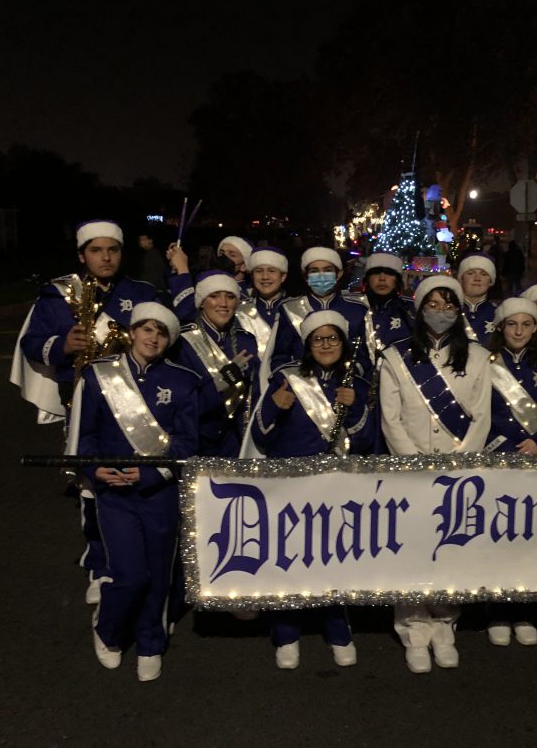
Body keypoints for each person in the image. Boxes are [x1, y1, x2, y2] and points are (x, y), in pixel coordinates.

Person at [13, 219, 159, 604]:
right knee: (92, 484)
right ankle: (100, 563)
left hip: (137, 404)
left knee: (138, 478)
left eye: (112, 249)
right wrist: (62, 345)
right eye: (96, 250)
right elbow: (32, 344)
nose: (106, 257)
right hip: (82, 402)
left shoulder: (141, 292)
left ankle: (136, 554)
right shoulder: (58, 295)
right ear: (82, 255)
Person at [67, 301, 200, 682]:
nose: (153, 336)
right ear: (132, 331)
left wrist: (151, 476)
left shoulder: (183, 381)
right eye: (146, 328)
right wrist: (96, 470)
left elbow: (186, 442)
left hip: (159, 493)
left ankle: (150, 642)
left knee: (159, 573)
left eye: (161, 332)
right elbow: (84, 436)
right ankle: (108, 629)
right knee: (129, 574)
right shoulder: (97, 376)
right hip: (114, 494)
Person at [379, 275, 492, 673]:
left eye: (449, 306)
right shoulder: (394, 357)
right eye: (433, 304)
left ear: (459, 312)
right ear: (419, 307)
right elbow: (390, 418)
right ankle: (412, 628)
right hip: (409, 471)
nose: (440, 312)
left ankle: (445, 624)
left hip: (456, 472)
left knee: (450, 547)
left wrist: (458, 463)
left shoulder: (478, 356)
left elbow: (481, 417)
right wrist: (413, 463)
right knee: (409, 549)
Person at [250, 310, 374, 669]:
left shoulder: (357, 383)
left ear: (343, 343)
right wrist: (274, 407)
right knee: (288, 560)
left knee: (332, 559)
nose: (325, 345)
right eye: (318, 339)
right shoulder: (286, 379)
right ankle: (286, 632)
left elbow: (366, 442)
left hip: (337, 487)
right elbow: (260, 436)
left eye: (332, 338)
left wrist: (353, 411)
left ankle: (337, 627)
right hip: (290, 485)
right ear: (307, 345)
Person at [483, 297, 537, 646]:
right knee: (495, 536)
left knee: (529, 537)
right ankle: (497, 609)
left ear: (536, 328)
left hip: (535, 460)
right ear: (500, 327)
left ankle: (524, 609)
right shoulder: (484, 363)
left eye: (525, 325)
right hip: (495, 458)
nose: (518, 331)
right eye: (511, 324)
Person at [171, 270, 257, 456]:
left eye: (230, 297)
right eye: (214, 296)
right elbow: (183, 404)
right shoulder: (184, 341)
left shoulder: (247, 340)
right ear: (202, 302)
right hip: (198, 439)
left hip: (235, 440)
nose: (224, 304)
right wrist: (222, 381)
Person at [268, 246, 369, 375]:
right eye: (314, 271)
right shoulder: (289, 309)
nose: (321, 276)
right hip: (303, 386)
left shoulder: (357, 310)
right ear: (306, 276)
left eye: (327, 270)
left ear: (339, 274)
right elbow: (280, 357)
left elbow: (364, 357)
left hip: (345, 387)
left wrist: (349, 376)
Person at [236, 247, 289, 381]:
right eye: (259, 271)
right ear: (252, 276)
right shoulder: (238, 310)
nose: (265, 277)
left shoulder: (296, 309)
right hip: (248, 389)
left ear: (283, 276)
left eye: (271, 271)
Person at [456, 253, 499, 343]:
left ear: (490, 281)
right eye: (471, 273)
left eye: (484, 274)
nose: (477, 278)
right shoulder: (452, 311)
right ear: (461, 279)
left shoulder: (498, 313)